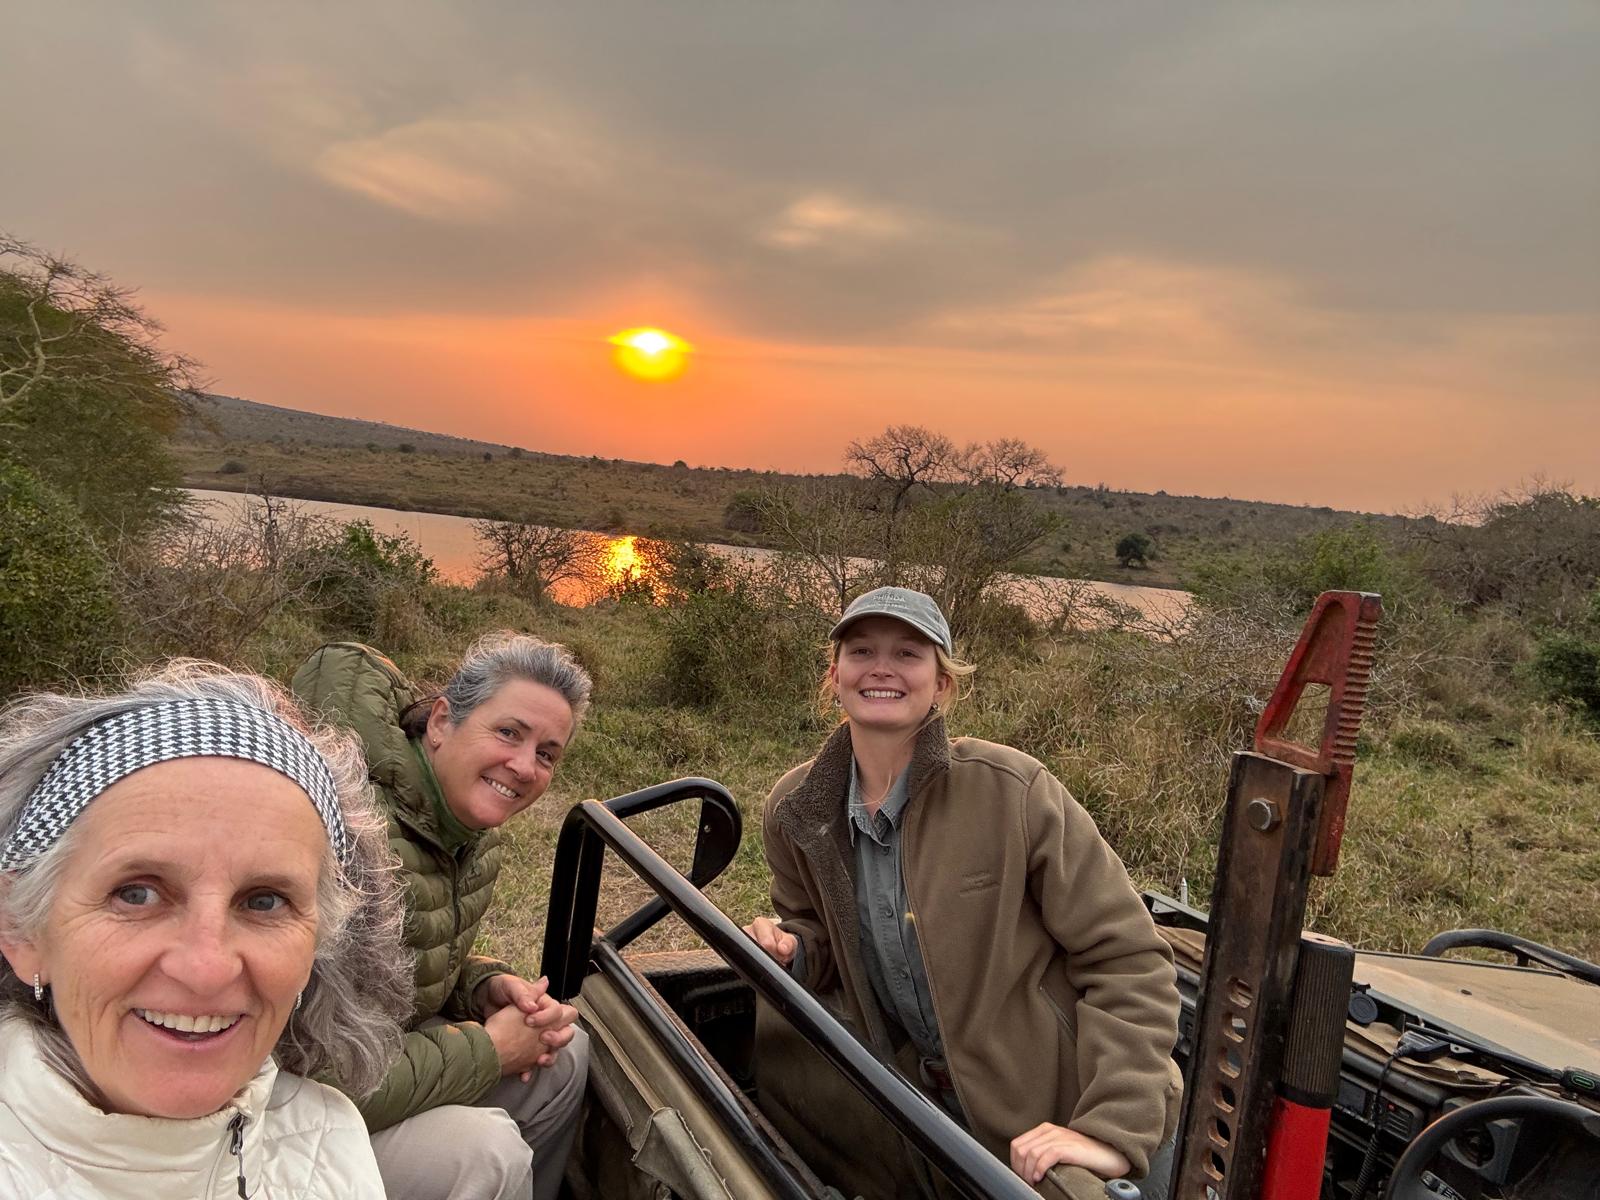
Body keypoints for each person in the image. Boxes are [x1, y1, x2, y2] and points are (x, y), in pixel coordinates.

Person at [744, 587, 1183, 1200]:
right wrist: (794, 948)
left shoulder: (1013, 791)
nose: (882, 668)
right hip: (924, 1118)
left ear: (942, 684)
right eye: (862, 650)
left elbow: (1130, 960)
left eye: (908, 653)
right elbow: (816, 934)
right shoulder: (798, 810)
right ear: (835, 676)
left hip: (1057, 1120)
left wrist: (1108, 1133)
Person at [0, 661, 409, 1199]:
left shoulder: (330, 1140)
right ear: (22, 928)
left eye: (265, 902)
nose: (206, 968)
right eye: (137, 893)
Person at [293, 631, 593, 1200]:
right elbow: (308, 1068)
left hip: (389, 1060)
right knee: (486, 1151)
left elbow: (405, 966)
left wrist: (481, 988)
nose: (525, 766)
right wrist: (487, 1052)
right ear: (439, 723)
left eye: (547, 754)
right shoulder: (348, 832)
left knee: (563, 1050)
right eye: (508, 732)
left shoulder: (472, 838)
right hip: (293, 1106)